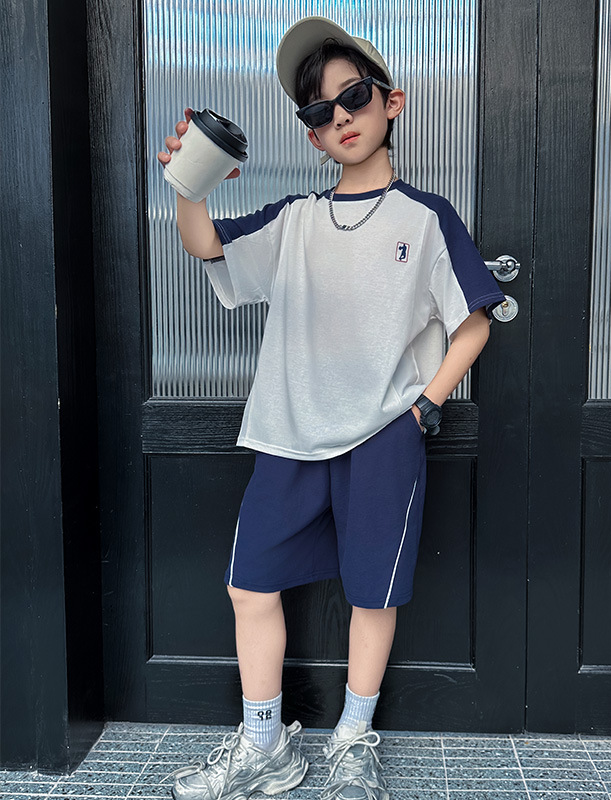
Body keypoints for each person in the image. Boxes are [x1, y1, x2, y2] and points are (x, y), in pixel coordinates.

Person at [157, 15, 505, 800]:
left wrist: (425, 406)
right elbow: (205, 244)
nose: (340, 116)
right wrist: (188, 184)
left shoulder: (427, 218)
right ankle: (263, 748)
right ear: (311, 134)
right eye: (319, 110)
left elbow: (475, 320)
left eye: (354, 96)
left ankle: (352, 741)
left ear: (392, 102)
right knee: (250, 585)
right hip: (288, 432)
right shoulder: (295, 220)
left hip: (384, 435)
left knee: (373, 594)